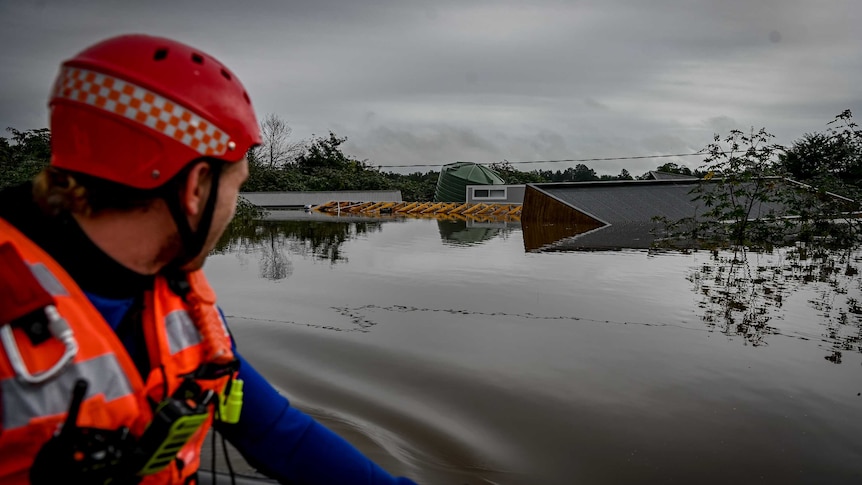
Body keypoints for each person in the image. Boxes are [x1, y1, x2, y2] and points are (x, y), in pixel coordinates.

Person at [0, 34, 418, 484]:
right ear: (196, 187)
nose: (235, 204)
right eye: (237, 186)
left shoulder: (180, 298)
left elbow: (278, 434)